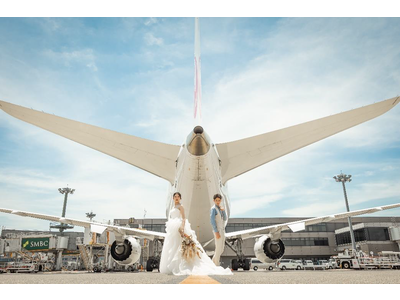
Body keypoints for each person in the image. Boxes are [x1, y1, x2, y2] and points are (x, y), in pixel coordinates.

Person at [159, 192, 232, 275]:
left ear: (180, 198)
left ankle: (182, 265)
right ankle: (173, 266)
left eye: (178, 197)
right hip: (172, 228)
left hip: (179, 226)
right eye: (175, 197)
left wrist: (182, 227)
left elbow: (183, 218)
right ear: (173, 198)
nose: (176, 198)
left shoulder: (181, 207)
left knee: (180, 245)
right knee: (173, 246)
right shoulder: (173, 207)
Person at [210, 193, 227, 266]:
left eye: (219, 200)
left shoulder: (220, 208)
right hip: (218, 230)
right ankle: (216, 264)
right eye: (216, 200)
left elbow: (225, 218)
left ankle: (213, 262)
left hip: (222, 229)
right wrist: (216, 232)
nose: (217, 202)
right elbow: (212, 221)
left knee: (222, 248)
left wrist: (223, 211)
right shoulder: (213, 209)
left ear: (220, 201)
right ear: (214, 200)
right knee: (218, 247)